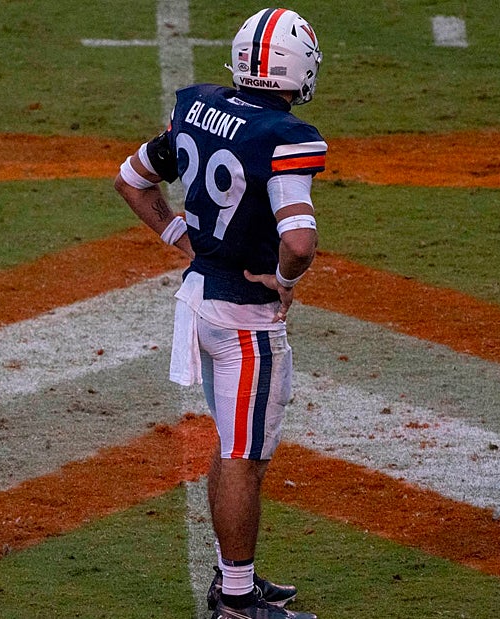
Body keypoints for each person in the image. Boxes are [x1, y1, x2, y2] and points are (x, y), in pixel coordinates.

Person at [113, 7, 325, 619]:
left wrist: (180, 235)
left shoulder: (198, 106)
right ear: (300, 68)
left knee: (235, 445)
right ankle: (235, 601)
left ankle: (236, 580)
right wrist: (285, 282)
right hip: (243, 318)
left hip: (200, 302)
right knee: (243, 455)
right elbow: (299, 243)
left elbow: (132, 179)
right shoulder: (285, 137)